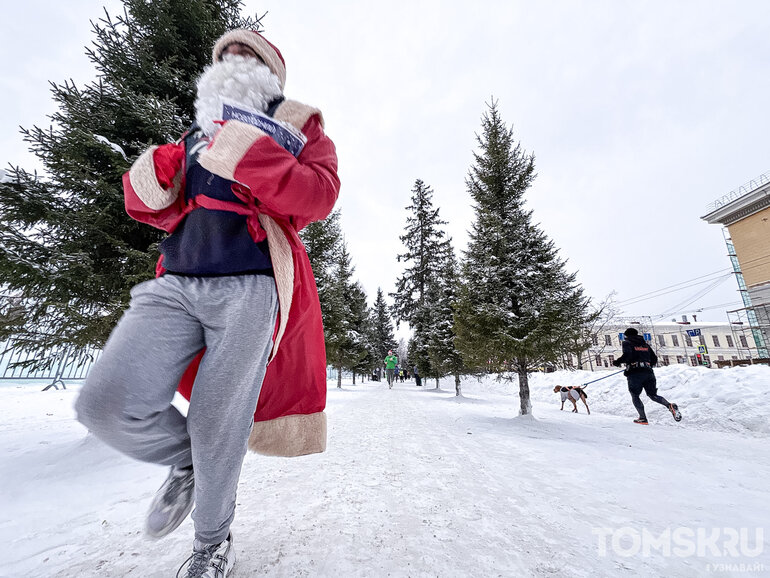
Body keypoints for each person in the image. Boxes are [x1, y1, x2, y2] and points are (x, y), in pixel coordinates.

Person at [75, 28, 340, 577]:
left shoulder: (299, 120)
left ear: (271, 69)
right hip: (176, 280)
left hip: (253, 282)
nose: (233, 57)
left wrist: (246, 153)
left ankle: (213, 544)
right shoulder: (195, 130)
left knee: (219, 421)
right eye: (226, 52)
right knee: (105, 402)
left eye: (248, 52)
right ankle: (187, 462)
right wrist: (154, 172)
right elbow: (149, 204)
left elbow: (319, 194)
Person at [613, 327, 682, 425]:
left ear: (627, 335)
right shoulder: (645, 345)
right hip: (649, 372)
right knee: (653, 395)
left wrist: (617, 362)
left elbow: (627, 355)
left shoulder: (627, 342)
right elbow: (654, 358)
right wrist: (646, 365)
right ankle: (669, 405)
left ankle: (643, 418)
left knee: (635, 395)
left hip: (635, 373)